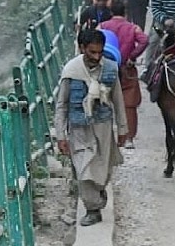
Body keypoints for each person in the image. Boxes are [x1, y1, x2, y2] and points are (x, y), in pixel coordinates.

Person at [54, 28, 127, 226]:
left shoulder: (110, 69)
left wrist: (122, 129)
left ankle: (98, 191)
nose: (96, 56)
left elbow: (118, 101)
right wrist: (60, 135)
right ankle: (93, 209)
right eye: (92, 52)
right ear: (82, 48)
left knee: (103, 168)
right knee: (84, 169)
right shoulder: (71, 72)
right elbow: (61, 105)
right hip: (79, 128)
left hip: (103, 125)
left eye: (99, 52)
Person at [99, 0, 148, 147]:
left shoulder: (103, 26)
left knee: (102, 99)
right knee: (129, 104)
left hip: (105, 66)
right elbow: (144, 40)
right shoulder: (133, 28)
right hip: (126, 67)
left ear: (111, 12)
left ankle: (105, 137)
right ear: (125, 12)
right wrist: (133, 56)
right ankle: (128, 138)